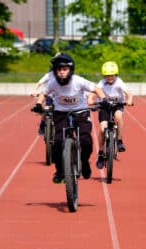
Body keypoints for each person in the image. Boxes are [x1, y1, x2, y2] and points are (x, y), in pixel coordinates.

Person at [32, 53, 107, 183]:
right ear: (55, 71)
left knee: (86, 141)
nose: (61, 72)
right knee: (56, 143)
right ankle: (60, 171)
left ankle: (84, 162)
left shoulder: (78, 81)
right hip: (61, 114)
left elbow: (96, 89)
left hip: (81, 112)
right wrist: (38, 104)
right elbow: (44, 94)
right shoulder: (53, 83)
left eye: (65, 69)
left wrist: (104, 99)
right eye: (59, 70)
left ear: (70, 70)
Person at [95, 61, 133, 169]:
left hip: (118, 105)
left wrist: (129, 100)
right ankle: (101, 154)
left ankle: (120, 141)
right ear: (104, 76)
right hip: (104, 107)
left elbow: (128, 93)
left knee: (118, 117)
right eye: (107, 75)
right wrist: (91, 100)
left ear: (116, 75)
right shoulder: (101, 83)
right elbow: (94, 92)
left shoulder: (119, 82)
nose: (110, 78)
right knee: (102, 129)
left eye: (112, 75)